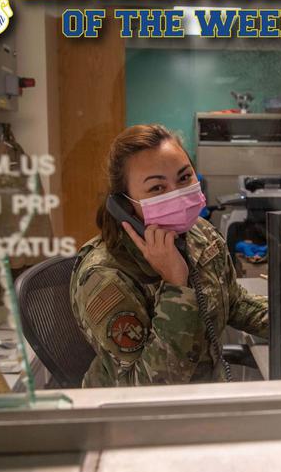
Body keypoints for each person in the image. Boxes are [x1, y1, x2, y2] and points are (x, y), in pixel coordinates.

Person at [70, 124, 268, 387]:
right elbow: (143, 387)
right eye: (157, 188)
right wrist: (176, 284)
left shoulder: (199, 233)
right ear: (125, 204)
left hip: (207, 397)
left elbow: (233, 302)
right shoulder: (104, 277)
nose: (176, 193)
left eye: (184, 178)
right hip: (143, 419)